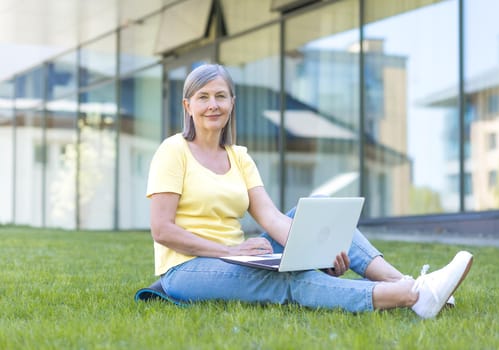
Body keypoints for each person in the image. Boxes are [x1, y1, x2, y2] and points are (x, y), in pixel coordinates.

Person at [146, 63, 473, 319]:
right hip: (188, 268)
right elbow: (162, 230)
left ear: (232, 102)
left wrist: (320, 251)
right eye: (203, 97)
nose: (212, 105)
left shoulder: (239, 157)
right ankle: (414, 296)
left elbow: (272, 218)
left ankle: (400, 281)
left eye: (220, 96)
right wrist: (231, 252)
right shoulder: (173, 151)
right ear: (187, 105)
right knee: (286, 279)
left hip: (242, 258)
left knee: (318, 211)